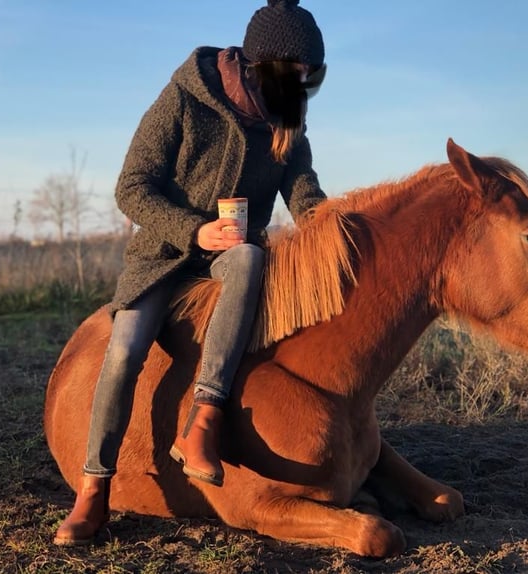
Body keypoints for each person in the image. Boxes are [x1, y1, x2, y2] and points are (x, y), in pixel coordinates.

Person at [53, 0, 328, 546]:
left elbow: (307, 198)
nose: (299, 88)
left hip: (232, 263)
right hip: (163, 259)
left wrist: (342, 232)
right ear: (258, 66)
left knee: (250, 255)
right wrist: (194, 230)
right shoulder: (184, 98)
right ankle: (93, 490)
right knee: (126, 350)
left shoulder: (286, 126)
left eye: (308, 78)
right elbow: (131, 187)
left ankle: (202, 423)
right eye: (291, 75)